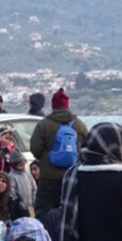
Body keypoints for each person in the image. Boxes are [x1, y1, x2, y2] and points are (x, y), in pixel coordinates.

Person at [30, 88, 88, 220]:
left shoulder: (44, 124)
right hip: (73, 175)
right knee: (73, 212)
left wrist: (46, 159)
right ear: (67, 105)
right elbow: (87, 147)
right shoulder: (79, 125)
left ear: (53, 106)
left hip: (49, 177)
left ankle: (46, 238)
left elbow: (35, 148)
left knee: (43, 212)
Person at [7, 149, 37, 216]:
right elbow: (12, 192)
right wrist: (18, 204)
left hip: (30, 206)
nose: (23, 167)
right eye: (20, 165)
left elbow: (34, 187)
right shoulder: (11, 177)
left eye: (24, 164)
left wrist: (34, 200)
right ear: (14, 165)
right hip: (20, 208)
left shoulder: (27, 174)